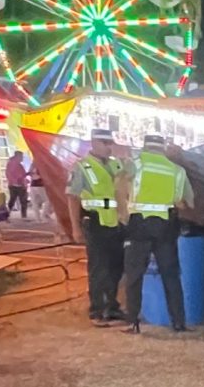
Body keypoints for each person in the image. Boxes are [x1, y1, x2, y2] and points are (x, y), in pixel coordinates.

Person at [119, 135, 193, 334]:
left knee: (135, 274)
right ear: (164, 149)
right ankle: (178, 321)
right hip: (166, 225)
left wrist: (122, 212)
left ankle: (132, 321)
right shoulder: (177, 171)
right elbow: (186, 203)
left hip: (139, 224)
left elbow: (120, 184)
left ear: (144, 147)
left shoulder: (134, 164)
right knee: (170, 275)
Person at [67, 128, 126, 327]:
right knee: (98, 267)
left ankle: (112, 306)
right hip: (95, 221)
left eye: (110, 143)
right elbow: (73, 197)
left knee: (116, 267)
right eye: (104, 143)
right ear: (93, 143)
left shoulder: (117, 165)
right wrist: (75, 227)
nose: (109, 147)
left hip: (116, 222)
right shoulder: (82, 167)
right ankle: (97, 310)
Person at [5, 150, 28, 219]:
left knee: (15, 200)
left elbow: (22, 174)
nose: (22, 158)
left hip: (16, 184)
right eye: (21, 156)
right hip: (16, 185)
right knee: (21, 200)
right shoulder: (13, 164)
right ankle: (23, 216)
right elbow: (9, 174)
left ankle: (22, 215)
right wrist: (16, 180)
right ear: (18, 156)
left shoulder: (17, 164)